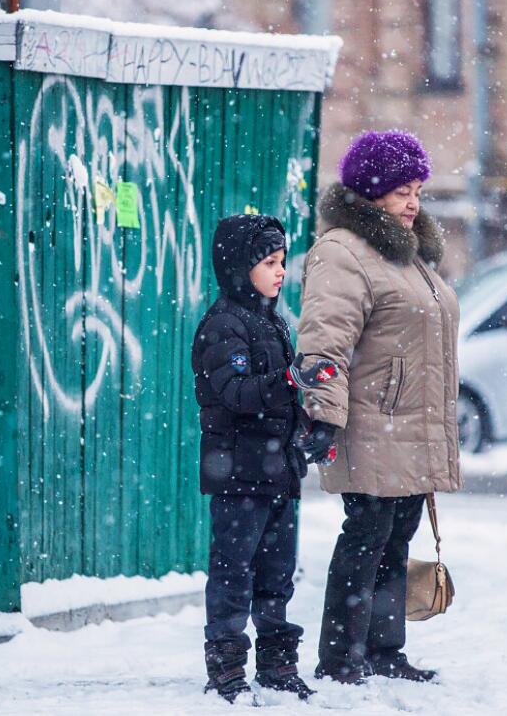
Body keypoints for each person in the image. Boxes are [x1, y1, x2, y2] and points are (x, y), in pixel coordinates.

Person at [296, 130, 462, 685]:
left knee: (397, 536)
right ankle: (342, 658)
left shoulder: (408, 254)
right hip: (371, 422)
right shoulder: (343, 254)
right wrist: (323, 414)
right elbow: (325, 343)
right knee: (366, 534)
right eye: (399, 191)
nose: (412, 201)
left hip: (410, 426)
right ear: (370, 193)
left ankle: (385, 651)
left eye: (416, 189)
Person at [191, 214, 338, 703]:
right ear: (239, 266)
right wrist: (290, 380)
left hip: (278, 474)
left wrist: (310, 430)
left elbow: (280, 400)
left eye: (281, 262)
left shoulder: (271, 320)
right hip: (238, 474)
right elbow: (234, 394)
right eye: (270, 262)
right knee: (234, 573)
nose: (280, 272)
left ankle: (277, 664)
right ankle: (227, 667)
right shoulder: (223, 324)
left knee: (277, 573)